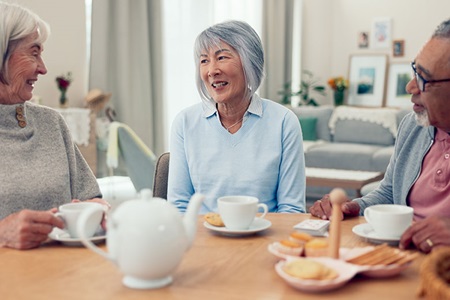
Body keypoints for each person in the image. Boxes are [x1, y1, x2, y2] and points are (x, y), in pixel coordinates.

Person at [309, 19, 450, 254]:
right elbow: (389, 192)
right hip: (399, 259)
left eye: (424, 78)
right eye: (415, 71)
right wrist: (355, 206)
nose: (410, 87)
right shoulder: (414, 126)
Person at [168, 20, 306, 214]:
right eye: (204, 60)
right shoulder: (184, 123)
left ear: (250, 62)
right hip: (203, 239)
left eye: (222, 57)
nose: (212, 70)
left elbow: (291, 209)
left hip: (265, 239)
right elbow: (179, 207)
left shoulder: (284, 122)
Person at [0, 2, 107, 250]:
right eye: (33, 52)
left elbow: (90, 196)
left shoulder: (52, 123)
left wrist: (98, 208)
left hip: (66, 274)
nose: (43, 68)